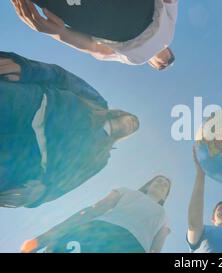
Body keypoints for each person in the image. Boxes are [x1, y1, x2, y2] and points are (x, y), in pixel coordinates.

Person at [0, 51, 139, 208]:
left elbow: (70, 182)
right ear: (123, 114)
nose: (132, 125)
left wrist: (42, 194)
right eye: (133, 120)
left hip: (26, 161)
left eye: (134, 128)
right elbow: (62, 78)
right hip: (31, 106)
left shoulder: (101, 157)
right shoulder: (98, 102)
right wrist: (27, 68)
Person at [21, 176, 172, 253]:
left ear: (165, 196)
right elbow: (93, 210)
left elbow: (156, 249)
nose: (161, 184)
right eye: (158, 181)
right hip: (99, 232)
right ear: (149, 184)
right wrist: (46, 238)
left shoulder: (164, 217)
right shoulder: (127, 191)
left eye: (166, 185)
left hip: (134, 247)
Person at [12, 0, 178, 70]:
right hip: (138, 11)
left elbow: (96, 49)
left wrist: (59, 33)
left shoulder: (135, 59)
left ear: (152, 65)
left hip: (102, 23)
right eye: (169, 59)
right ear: (169, 49)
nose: (164, 61)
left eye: (162, 66)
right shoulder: (167, 34)